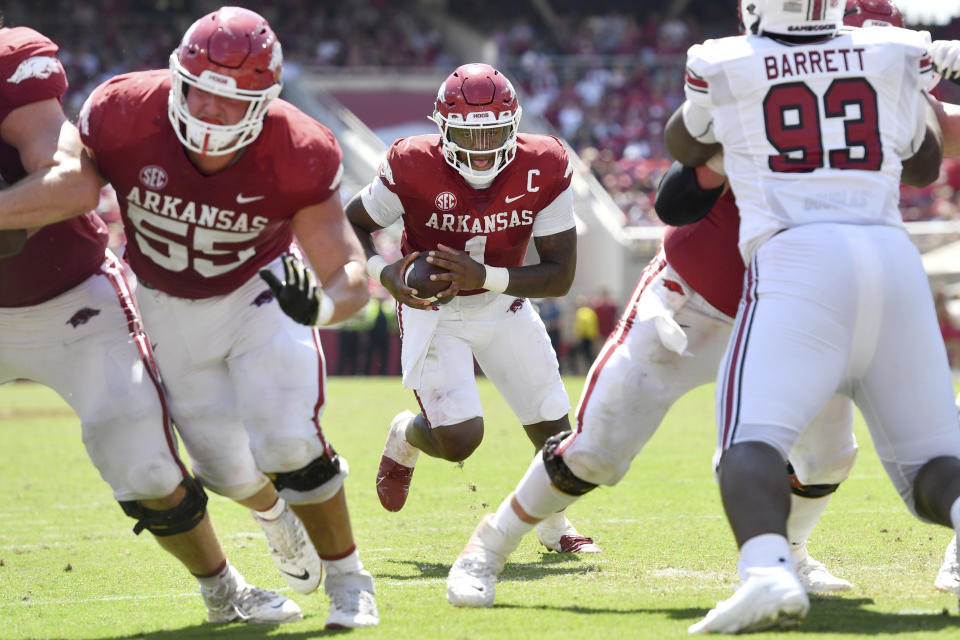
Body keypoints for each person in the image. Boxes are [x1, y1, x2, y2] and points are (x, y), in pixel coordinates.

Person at [442, 1, 923, 612]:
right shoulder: (761, 89)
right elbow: (674, 196)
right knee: (596, 449)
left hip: (794, 311)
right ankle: (488, 547)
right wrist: (724, 151)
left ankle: (791, 552)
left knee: (831, 452)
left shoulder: (872, 112)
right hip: (694, 301)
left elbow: (926, 162)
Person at [1, 7, 378, 628]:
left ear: (265, 101)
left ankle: (350, 581)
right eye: (199, 90)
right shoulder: (122, 113)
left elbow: (347, 270)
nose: (209, 110)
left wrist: (325, 306)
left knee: (288, 439)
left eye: (232, 99)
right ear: (176, 77)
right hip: (167, 305)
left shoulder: (298, 146)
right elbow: (70, 184)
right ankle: (275, 519)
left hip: (258, 295)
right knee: (224, 472)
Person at [663, 0, 960, 632]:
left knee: (751, 439)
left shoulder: (722, 59)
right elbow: (926, 167)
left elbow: (682, 143)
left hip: (797, 255)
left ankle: (768, 571)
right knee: (934, 461)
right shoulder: (893, 51)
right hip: (890, 257)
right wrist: (912, 79)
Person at [345, 62, 599, 554]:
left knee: (555, 430)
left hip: (502, 302)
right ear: (443, 128)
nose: (482, 152)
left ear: (515, 126)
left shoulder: (544, 163)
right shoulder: (411, 162)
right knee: (460, 439)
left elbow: (560, 274)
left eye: (494, 135)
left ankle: (554, 526)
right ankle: (405, 433)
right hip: (433, 309)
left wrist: (485, 277)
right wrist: (386, 273)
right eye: (468, 135)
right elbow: (352, 224)